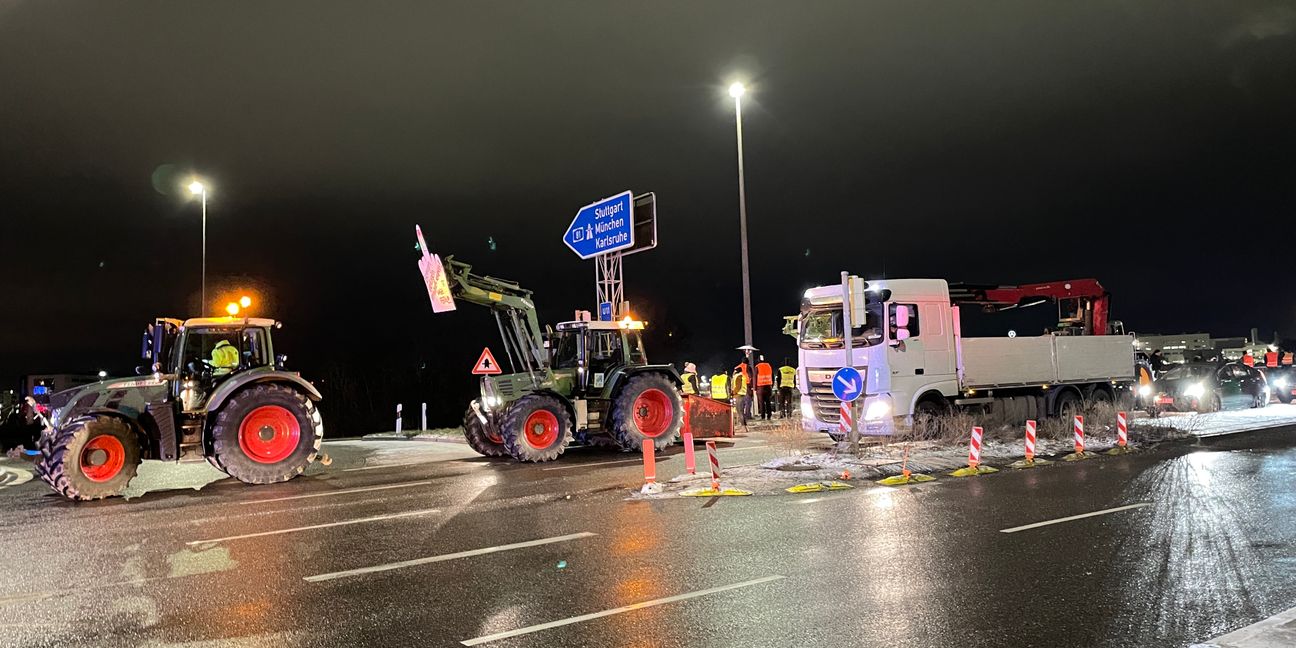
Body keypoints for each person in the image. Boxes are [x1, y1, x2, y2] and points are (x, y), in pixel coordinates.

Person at [755, 355, 774, 421]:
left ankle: (763, 416)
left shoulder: (757, 367)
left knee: (761, 402)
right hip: (768, 387)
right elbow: (772, 376)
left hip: (760, 387)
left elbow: (755, 378)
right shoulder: (768, 366)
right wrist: (772, 385)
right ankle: (769, 415)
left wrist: (754, 388)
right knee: (768, 402)